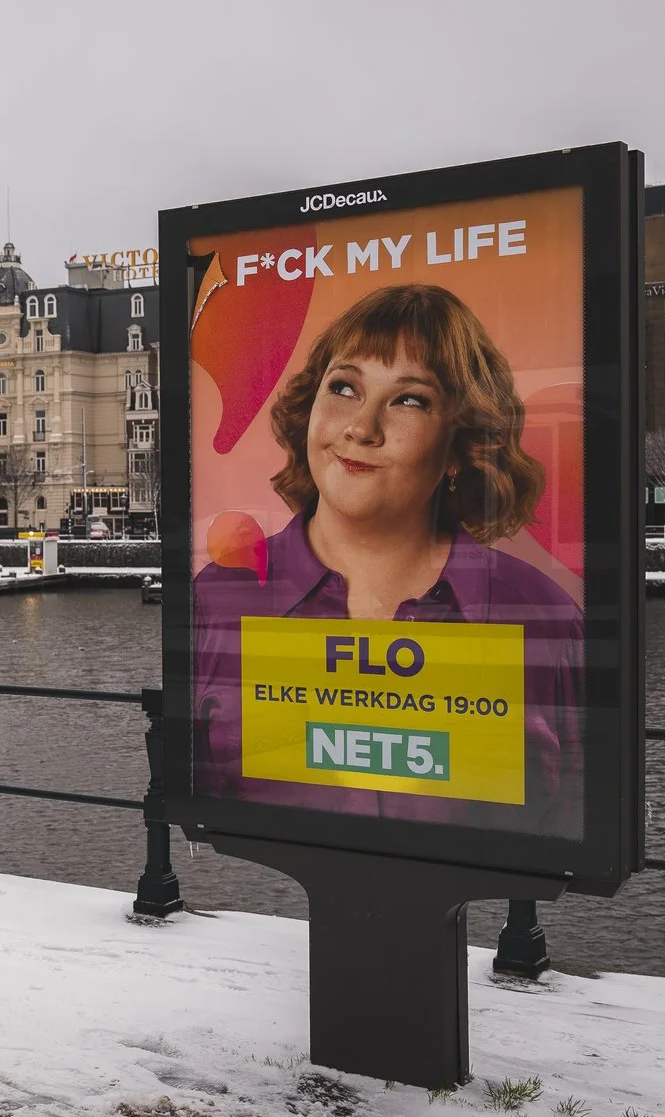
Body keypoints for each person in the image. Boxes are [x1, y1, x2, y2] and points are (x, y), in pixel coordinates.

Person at [193, 283, 583, 832]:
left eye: (409, 400)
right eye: (344, 387)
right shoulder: (217, 598)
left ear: (459, 447)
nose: (361, 427)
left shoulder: (541, 615)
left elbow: (569, 821)